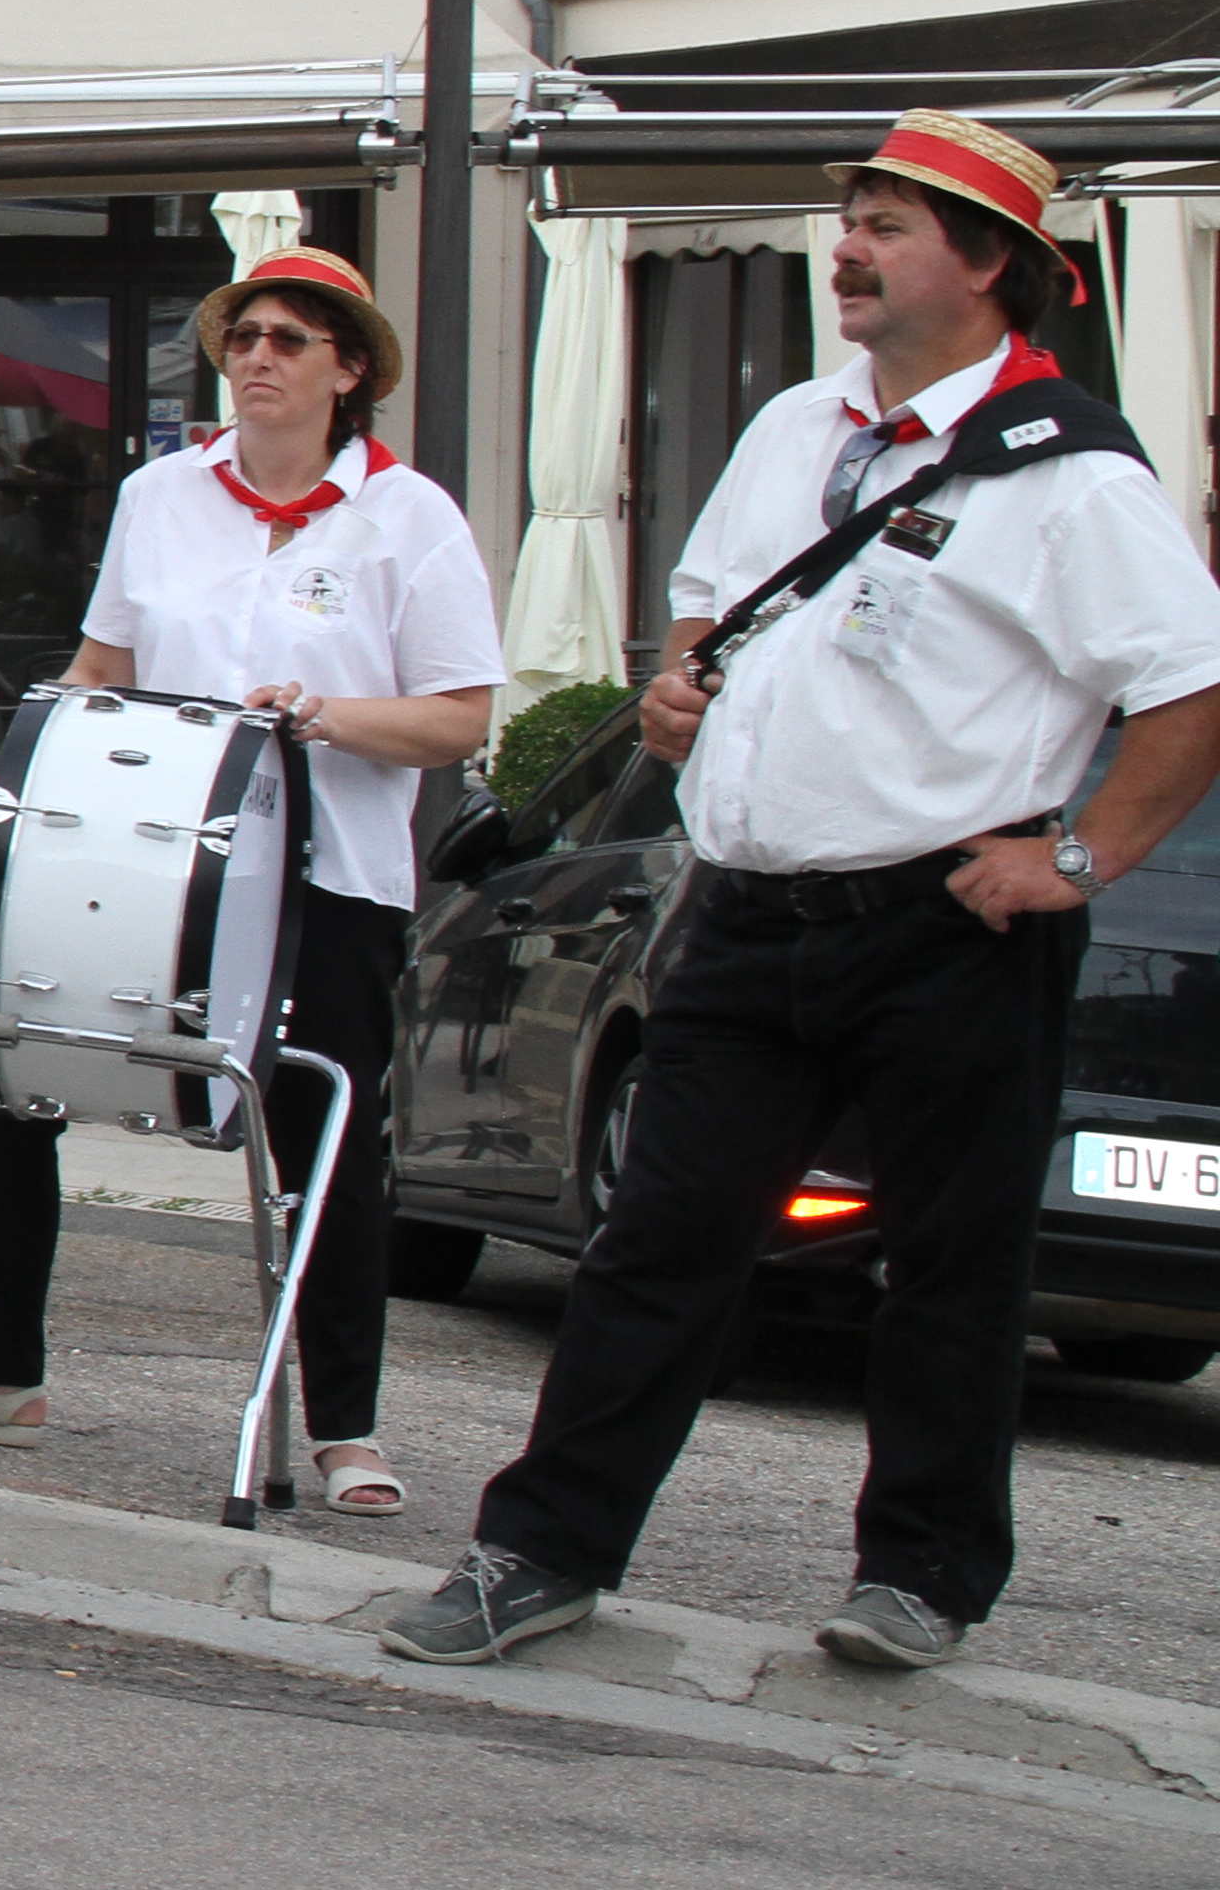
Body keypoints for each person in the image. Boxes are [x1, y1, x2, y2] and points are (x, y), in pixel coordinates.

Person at [388, 113, 1220, 1673]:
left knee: (955, 1270)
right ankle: (539, 1552)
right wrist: (677, 699)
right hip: (750, 908)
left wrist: (1079, 859)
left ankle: (922, 1578)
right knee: (657, 1247)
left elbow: (1192, 688)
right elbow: (708, 617)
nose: (849, 245)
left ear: (988, 271)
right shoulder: (795, 428)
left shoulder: (1072, 475)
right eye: (851, 217)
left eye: (893, 226)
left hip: (948, 926)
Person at [0, 246, 502, 1515]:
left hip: (330, 880)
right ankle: (0, 1379)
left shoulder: (412, 516)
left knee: (327, 1137)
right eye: (245, 336)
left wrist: (329, 715)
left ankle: (344, 1429)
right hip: (132, 851)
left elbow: (459, 722)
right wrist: (13, 772)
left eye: (287, 339)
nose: (258, 357)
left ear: (351, 369)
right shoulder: (161, 493)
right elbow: (101, 665)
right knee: (9, 1063)